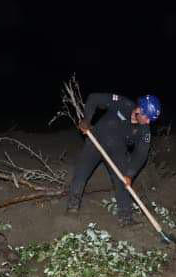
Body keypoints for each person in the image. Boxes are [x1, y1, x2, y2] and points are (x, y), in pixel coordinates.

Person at [66, 92, 161, 223]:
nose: (148, 121)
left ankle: (126, 218)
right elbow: (94, 98)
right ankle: (72, 208)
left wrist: (130, 174)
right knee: (81, 172)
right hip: (96, 141)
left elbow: (141, 153)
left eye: (151, 119)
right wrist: (87, 120)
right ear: (139, 110)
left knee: (123, 181)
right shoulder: (123, 103)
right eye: (147, 117)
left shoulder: (144, 131)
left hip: (117, 150)